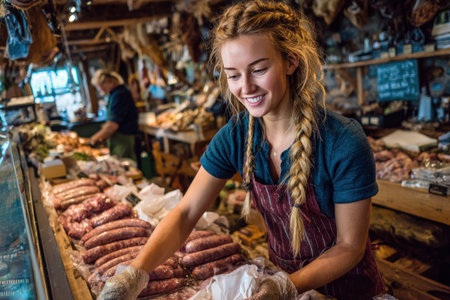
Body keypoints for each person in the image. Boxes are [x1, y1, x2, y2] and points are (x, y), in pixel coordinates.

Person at [98, 1, 385, 299]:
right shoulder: (236, 136)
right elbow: (185, 213)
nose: (246, 88)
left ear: (291, 61)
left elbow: (350, 246)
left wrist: (287, 286)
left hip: (348, 291)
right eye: (233, 75)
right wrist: (135, 272)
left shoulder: (343, 141)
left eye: (259, 69)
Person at [90, 70, 139, 161]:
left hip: (123, 140)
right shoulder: (114, 95)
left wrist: (93, 139)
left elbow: (113, 125)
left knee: (126, 169)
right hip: (118, 140)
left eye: (100, 86)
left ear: (108, 81)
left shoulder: (120, 95)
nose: (100, 89)